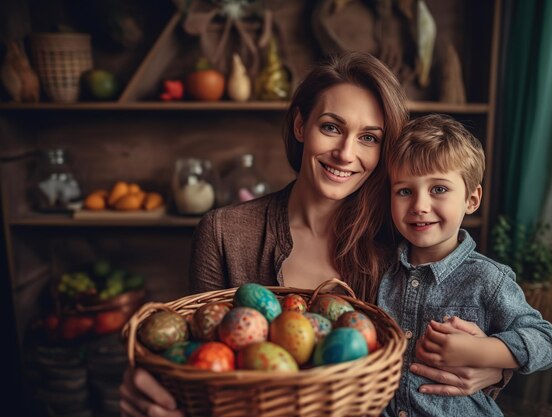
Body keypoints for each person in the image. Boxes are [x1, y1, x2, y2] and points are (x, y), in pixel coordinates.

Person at [119, 53, 507, 417]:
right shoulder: (224, 232)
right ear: (301, 125)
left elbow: (460, 320)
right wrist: (149, 376)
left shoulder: (405, 234)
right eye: (331, 127)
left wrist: (494, 369)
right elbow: (196, 346)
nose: (345, 153)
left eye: (368, 138)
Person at [378, 114, 552, 417]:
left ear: (472, 199)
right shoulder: (383, 269)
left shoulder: (487, 278)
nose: (419, 205)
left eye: (438, 189)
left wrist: (481, 351)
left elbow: (545, 340)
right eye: (405, 191)